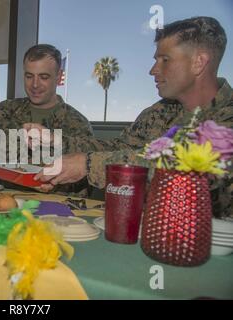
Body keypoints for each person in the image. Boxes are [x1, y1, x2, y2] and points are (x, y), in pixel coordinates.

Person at [35, 16, 233, 216]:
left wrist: (87, 164)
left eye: (165, 60)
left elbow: (181, 164)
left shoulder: (227, 116)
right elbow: (120, 147)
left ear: (199, 63)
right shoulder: (160, 112)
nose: (152, 70)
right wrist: (58, 142)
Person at [0, 44, 94, 193]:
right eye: (29, 76)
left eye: (44, 77)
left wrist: (55, 185)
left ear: (59, 77)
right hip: (2, 202)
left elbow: (86, 177)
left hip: (53, 209)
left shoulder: (77, 123)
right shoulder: (3, 111)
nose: (35, 84)